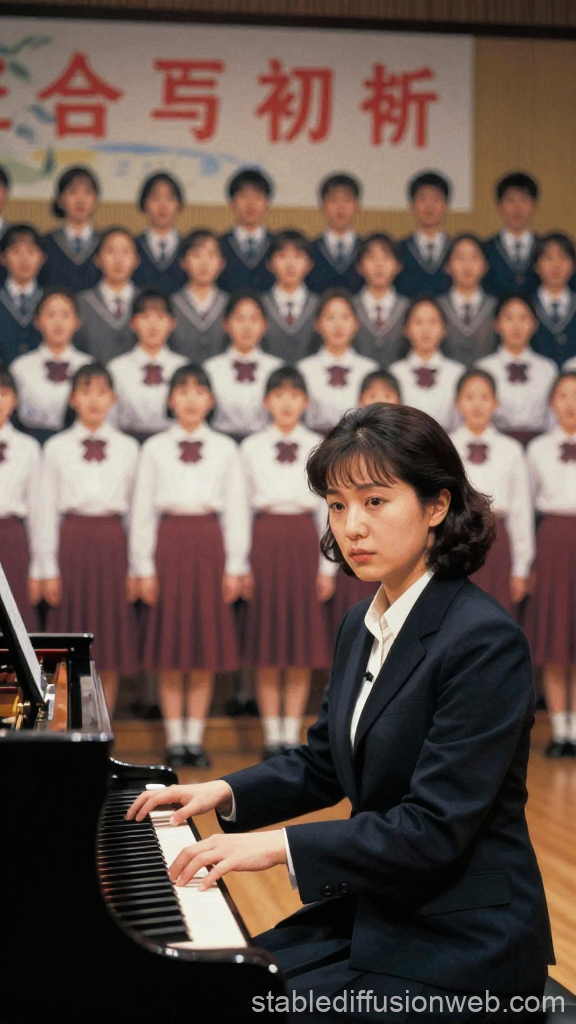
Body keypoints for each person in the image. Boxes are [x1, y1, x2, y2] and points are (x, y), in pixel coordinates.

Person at [128, 402, 553, 1023]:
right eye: (336, 504)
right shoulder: (360, 622)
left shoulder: (483, 641)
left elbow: (433, 827)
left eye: (375, 502)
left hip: (464, 942)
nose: (351, 526)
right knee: (197, 991)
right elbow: (326, 760)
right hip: (379, 911)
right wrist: (217, 790)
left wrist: (272, 847)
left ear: (437, 506)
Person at [129, 364, 250, 768]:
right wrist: (142, 565)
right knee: (170, 646)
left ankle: (194, 739)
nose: (191, 398)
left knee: (201, 646)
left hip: (209, 546)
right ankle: (173, 738)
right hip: (169, 545)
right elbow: (142, 511)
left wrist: (235, 564)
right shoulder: (154, 449)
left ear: (211, 400)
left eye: (200, 390)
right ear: (170, 399)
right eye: (183, 390)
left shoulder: (226, 449)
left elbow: (235, 510)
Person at [239, 366, 336, 759]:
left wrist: (327, 566)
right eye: (278, 395)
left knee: (298, 644)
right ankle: (270, 733)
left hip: (303, 545)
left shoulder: (320, 446)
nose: (286, 403)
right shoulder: (249, 447)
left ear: (305, 402)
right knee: (267, 642)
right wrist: (239, 563)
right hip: (264, 543)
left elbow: (328, 510)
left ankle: (290, 732)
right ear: (266, 402)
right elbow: (239, 508)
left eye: (294, 395)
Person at [39, 364, 139, 712]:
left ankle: (102, 729)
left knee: (106, 645)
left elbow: (137, 514)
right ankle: (66, 734)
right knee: (68, 647)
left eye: (101, 392)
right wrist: (46, 566)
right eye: (86, 391)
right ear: (72, 398)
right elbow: (46, 510)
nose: (94, 400)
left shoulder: (128, 448)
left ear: (113, 398)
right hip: (72, 544)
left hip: (113, 545)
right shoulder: (55, 448)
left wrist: (136, 567)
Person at [451, 369, 534, 616]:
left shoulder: (511, 450)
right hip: (456, 539)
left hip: (497, 542)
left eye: (485, 397)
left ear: (495, 403)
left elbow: (521, 511)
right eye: (470, 396)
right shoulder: (446, 445)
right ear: (457, 403)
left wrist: (521, 569)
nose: (477, 404)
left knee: (495, 615)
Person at [525, 371, 576, 759]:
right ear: (551, 403)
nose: (570, 403)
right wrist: (527, 563)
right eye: (562, 395)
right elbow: (524, 511)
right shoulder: (538, 449)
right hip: (554, 543)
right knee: (558, 639)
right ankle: (560, 731)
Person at [11, 288, 92, 444]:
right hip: (30, 442)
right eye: (50, 315)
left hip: (75, 445)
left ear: (77, 322)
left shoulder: (88, 365)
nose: (58, 322)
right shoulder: (20, 367)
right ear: (38, 321)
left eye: (65, 315)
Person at [477, 294, 557, 446]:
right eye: (509, 318)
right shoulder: (484, 368)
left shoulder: (547, 368)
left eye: (523, 318)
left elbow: (553, 418)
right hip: (496, 446)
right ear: (496, 325)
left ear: (534, 324)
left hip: (541, 446)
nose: (516, 326)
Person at [107, 288, 186, 443]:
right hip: (126, 445)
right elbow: (109, 420)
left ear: (172, 323)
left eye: (160, 317)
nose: (153, 324)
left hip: (171, 447)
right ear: (132, 323)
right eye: (144, 317)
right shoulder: (117, 368)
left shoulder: (182, 367)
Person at [203, 290, 282, 442]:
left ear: (264, 325)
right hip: (220, 443)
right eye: (239, 319)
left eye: (254, 319)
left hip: (265, 444)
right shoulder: (211, 368)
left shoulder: (276, 368)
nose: (247, 326)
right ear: (226, 324)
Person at [297, 288, 378, 434]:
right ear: (317, 325)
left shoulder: (370, 370)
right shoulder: (303, 369)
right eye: (330, 317)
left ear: (356, 323)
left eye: (345, 317)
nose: (338, 325)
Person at [0, 365, 41, 630]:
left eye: (3, 394)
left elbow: (38, 512)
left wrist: (39, 569)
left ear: (15, 399)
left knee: (14, 627)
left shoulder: (29, 448)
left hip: (12, 539)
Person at [388, 298, 464, 433]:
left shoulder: (457, 373)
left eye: (433, 322)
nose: (426, 329)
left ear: (444, 329)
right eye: (418, 322)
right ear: (406, 329)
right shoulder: (394, 373)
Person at [75, 227, 139, 365]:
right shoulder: (82, 303)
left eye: (125, 252)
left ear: (136, 260)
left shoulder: (147, 302)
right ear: (97, 259)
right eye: (110, 251)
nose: (118, 259)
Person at [438, 233, 498, 367]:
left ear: (485, 266)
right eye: (460, 258)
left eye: (474, 257)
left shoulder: (496, 307)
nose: (467, 265)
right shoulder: (436, 307)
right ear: (447, 266)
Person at [169, 229, 228, 363]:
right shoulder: (171, 304)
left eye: (211, 255)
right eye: (196, 255)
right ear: (183, 262)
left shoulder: (230, 304)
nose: (204, 263)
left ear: (221, 263)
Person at [40, 166, 101, 293]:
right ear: (60, 200)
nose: (80, 200)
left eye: (87, 192)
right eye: (72, 192)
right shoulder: (46, 243)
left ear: (96, 200)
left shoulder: (105, 243)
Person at [261, 230, 318, 363]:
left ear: (310, 264)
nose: (290, 264)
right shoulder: (259, 305)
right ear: (269, 264)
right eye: (282, 256)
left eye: (298, 256)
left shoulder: (320, 305)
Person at [353, 232, 409, 366]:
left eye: (386, 258)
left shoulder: (408, 308)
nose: (379, 265)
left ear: (397, 266)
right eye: (371, 258)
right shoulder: (349, 307)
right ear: (359, 267)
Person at [394, 171, 452, 297]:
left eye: (436, 199)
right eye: (422, 199)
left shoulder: (456, 250)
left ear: (446, 205)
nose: (429, 206)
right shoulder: (398, 250)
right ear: (411, 205)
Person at [217, 168, 275, 294]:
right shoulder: (219, 245)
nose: (251, 204)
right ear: (232, 203)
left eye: (258, 197)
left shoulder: (277, 244)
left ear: (267, 203)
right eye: (243, 196)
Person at [483, 172, 540, 298]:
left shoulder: (545, 248)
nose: (517, 208)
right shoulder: (485, 249)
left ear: (534, 206)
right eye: (510, 200)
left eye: (524, 200)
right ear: (499, 206)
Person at [306, 173, 364, 295]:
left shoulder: (367, 250)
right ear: (322, 206)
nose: (340, 207)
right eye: (333, 200)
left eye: (347, 200)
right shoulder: (308, 250)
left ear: (357, 206)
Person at [132, 172, 187, 295]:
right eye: (155, 198)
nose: (163, 206)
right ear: (144, 203)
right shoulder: (132, 247)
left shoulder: (189, 248)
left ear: (178, 204)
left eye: (169, 198)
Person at [0, 224, 44, 365]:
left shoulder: (49, 300)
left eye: (31, 252)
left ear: (42, 258)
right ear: (3, 258)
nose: (24, 259)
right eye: (16, 252)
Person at [532, 232, 576, 368]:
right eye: (549, 258)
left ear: (573, 265)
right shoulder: (526, 305)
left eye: (563, 257)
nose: (556, 265)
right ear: (536, 266)